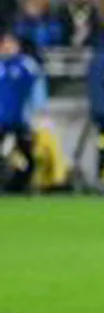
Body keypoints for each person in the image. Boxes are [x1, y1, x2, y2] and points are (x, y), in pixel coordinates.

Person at [0, 30, 42, 193]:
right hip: (2, 119)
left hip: (21, 119)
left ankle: (21, 186)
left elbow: (38, 90)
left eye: (11, 43)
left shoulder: (27, 64)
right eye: (5, 44)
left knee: (26, 155)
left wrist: (38, 113)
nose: (7, 47)